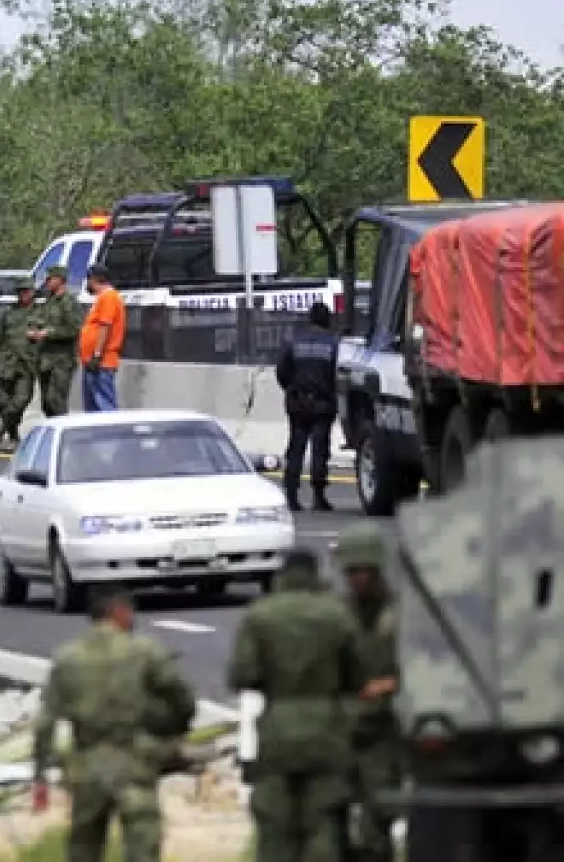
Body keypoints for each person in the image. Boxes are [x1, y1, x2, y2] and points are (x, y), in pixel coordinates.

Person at [31, 588, 198, 862]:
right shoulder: (143, 651)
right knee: (143, 843)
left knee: (84, 844)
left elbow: (44, 723)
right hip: (134, 762)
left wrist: (39, 776)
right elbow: (182, 697)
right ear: (120, 612)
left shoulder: (68, 658)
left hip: (86, 766)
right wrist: (173, 734)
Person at [228, 547, 364, 862]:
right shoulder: (336, 615)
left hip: (278, 728)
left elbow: (242, 675)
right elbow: (357, 673)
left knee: (275, 823)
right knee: (323, 820)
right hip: (327, 730)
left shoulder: (261, 615)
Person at [336, 524, 401, 862]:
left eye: (366, 571)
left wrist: (391, 684)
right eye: (352, 572)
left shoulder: (401, 615)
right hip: (343, 730)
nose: (359, 578)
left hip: (384, 732)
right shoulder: (337, 615)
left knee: (379, 818)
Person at [275, 302, 340, 512]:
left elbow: (281, 371)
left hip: (297, 403)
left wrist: (292, 390)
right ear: (327, 320)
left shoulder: (293, 340)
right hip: (322, 404)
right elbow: (337, 375)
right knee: (320, 450)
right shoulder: (333, 343)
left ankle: (292, 495)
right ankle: (318, 497)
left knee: (296, 447)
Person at [0, 277, 40, 447]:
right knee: (4, 401)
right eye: (21, 291)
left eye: (27, 291)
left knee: (21, 400)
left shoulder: (40, 313)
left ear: (33, 292)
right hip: (7, 363)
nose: (24, 294)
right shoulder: (8, 313)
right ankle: (13, 436)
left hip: (27, 364)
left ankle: (0, 429)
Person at [31, 265, 82, 417]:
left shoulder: (69, 301)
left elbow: (74, 329)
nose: (47, 282)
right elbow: (43, 321)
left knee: (57, 401)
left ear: (60, 280)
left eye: (50, 279)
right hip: (46, 359)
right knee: (47, 403)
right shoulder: (49, 301)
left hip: (62, 360)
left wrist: (48, 333)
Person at [79, 266, 125, 412]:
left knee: (104, 403)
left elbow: (105, 326)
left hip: (101, 362)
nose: (87, 283)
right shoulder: (101, 298)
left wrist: (97, 354)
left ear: (94, 279)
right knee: (93, 406)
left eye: (88, 279)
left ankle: (110, 434)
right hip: (93, 361)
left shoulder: (109, 297)